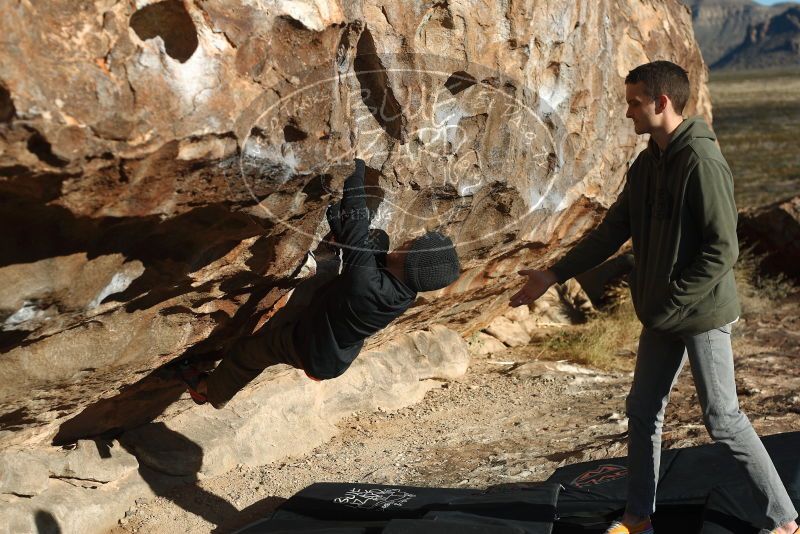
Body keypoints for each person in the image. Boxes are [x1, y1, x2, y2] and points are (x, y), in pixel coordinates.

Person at [510, 61, 798, 534]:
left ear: (662, 102)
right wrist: (554, 273)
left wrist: (673, 300)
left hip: (701, 313)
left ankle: (784, 523)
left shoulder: (702, 162)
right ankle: (638, 518)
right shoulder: (647, 164)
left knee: (723, 419)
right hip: (663, 315)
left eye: (634, 102)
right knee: (643, 411)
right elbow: (612, 231)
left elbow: (723, 249)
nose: (628, 112)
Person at [182, 158, 461, 409]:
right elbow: (361, 244)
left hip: (311, 351)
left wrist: (355, 169)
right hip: (336, 343)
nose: (408, 240)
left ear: (409, 264)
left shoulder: (366, 285)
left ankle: (210, 392)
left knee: (249, 353)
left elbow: (355, 224)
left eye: (411, 246)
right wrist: (344, 232)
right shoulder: (405, 290)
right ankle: (338, 252)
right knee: (377, 241)